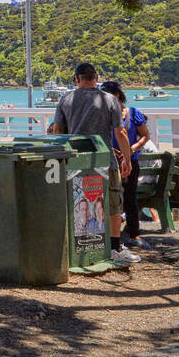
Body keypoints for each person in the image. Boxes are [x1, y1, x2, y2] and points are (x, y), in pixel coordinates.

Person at [50, 63, 136, 265]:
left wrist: (60, 157)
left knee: (77, 203)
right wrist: (127, 159)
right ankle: (115, 247)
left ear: (76, 79)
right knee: (114, 201)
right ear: (96, 78)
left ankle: (76, 246)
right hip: (104, 160)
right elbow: (120, 132)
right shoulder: (109, 100)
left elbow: (58, 132)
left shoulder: (65, 99)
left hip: (74, 161)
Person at [101, 80, 152, 252]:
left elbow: (145, 136)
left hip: (130, 160)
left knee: (130, 197)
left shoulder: (133, 113)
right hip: (109, 160)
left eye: (111, 94)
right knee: (108, 197)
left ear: (119, 95)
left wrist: (130, 150)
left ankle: (134, 234)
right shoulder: (103, 114)